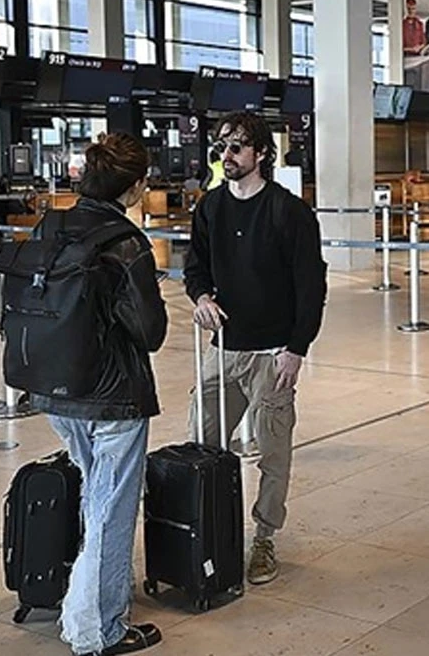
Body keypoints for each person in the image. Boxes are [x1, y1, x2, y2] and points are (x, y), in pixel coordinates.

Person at [32, 133, 167, 656]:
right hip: (112, 396)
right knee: (113, 507)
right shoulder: (126, 243)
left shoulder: (52, 225)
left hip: (55, 385)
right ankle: (99, 628)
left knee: (96, 493)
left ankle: (90, 599)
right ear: (133, 187)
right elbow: (149, 331)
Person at [183, 112, 326, 586]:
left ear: (261, 153)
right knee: (200, 445)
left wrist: (296, 348)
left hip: (273, 355)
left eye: (238, 146)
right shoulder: (209, 208)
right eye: (223, 146)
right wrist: (201, 297)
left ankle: (263, 538)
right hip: (224, 349)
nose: (228, 155)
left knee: (273, 454)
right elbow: (195, 266)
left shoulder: (289, 212)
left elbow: (311, 286)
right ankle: (204, 531)